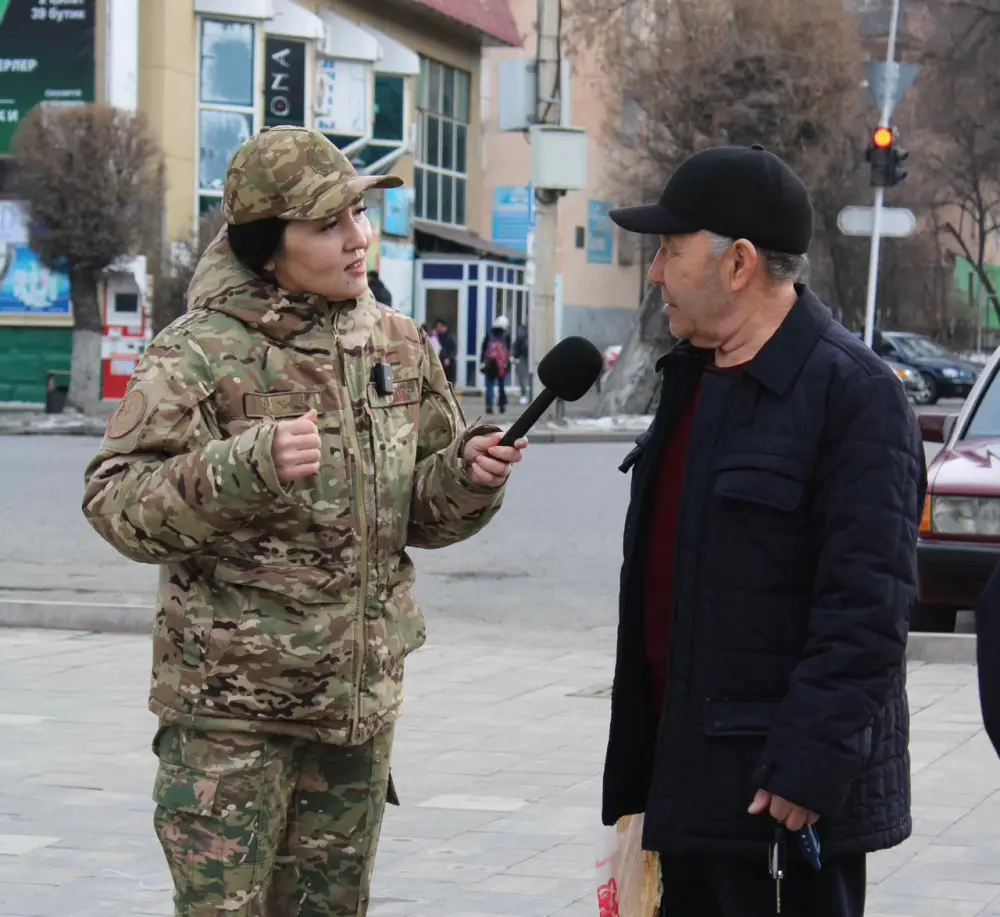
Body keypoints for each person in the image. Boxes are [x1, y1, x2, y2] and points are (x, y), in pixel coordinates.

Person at [81, 125, 528, 917]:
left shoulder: (395, 344)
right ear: (267, 245)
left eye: (358, 214)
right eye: (328, 223)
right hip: (231, 719)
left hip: (354, 714)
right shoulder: (198, 353)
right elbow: (115, 501)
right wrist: (241, 467)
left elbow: (418, 511)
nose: (357, 237)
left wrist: (467, 478)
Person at [601, 144, 926, 917]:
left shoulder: (855, 396)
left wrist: (807, 764)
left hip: (781, 803)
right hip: (686, 778)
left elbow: (868, 609)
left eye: (671, 251)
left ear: (740, 262)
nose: (656, 273)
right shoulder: (692, 378)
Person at [480, 314, 511, 415]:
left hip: (490, 364)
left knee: (489, 385)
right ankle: (502, 405)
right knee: (501, 385)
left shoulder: (489, 334)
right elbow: (508, 351)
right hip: (501, 365)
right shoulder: (506, 335)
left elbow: (483, 349)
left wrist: (482, 362)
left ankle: (489, 405)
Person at [434, 318, 458, 385]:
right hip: (438, 363)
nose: (439, 328)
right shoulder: (435, 338)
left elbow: (454, 350)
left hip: (449, 364)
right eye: (437, 327)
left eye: (441, 326)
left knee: (449, 382)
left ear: (445, 327)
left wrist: (449, 358)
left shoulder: (450, 337)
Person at [513, 321, 530, 404]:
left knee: (523, 377)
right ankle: (524, 395)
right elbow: (517, 345)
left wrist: (515, 356)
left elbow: (517, 345)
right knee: (523, 377)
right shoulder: (523, 332)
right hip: (524, 357)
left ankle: (525, 395)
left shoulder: (522, 333)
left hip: (525, 357)